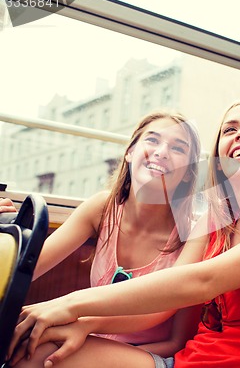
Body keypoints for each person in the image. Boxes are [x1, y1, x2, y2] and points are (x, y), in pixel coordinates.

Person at [8, 99, 240, 368]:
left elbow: (201, 282)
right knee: (31, 351)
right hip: (192, 359)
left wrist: (74, 307)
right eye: (230, 130)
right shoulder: (217, 227)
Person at [11, 110, 203, 359]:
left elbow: (177, 340)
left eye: (178, 149)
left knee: (37, 352)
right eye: (152, 140)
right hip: (88, 340)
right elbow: (26, 269)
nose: (162, 151)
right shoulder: (102, 208)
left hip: (148, 355)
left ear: (188, 171)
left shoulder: (194, 233)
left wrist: (86, 334)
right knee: (23, 341)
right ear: (130, 152)